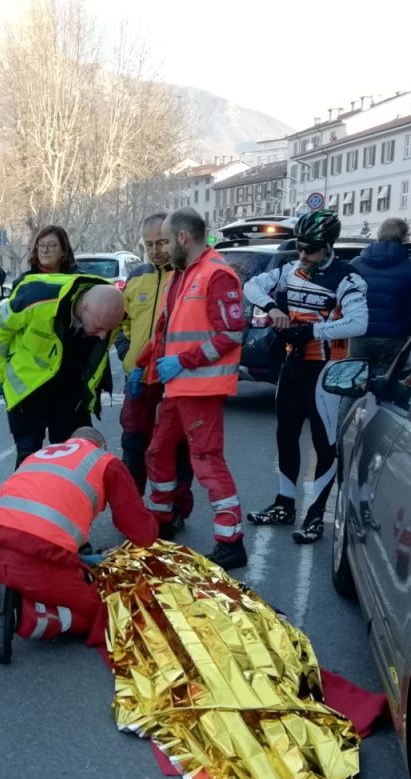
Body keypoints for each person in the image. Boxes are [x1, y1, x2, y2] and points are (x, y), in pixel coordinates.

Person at [0, 426, 157, 663]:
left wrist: (81, 558)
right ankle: (23, 614)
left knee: (50, 577)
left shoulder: (41, 455)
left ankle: (18, 589)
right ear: (100, 446)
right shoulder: (105, 462)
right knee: (102, 611)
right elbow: (141, 532)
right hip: (38, 557)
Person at [244, 209, 368, 544]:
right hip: (293, 363)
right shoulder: (291, 269)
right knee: (285, 432)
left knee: (323, 441)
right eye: (299, 247)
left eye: (310, 248)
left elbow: (359, 323)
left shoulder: (347, 278)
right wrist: (272, 308)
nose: (303, 254)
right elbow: (252, 285)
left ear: (328, 246)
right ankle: (284, 504)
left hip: (326, 368)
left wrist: (313, 330)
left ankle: (315, 515)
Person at [134, 208, 248, 570]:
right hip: (178, 388)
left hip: (199, 389)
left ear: (183, 238)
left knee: (207, 461)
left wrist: (183, 362)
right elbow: (169, 333)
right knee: (158, 451)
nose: (163, 249)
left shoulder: (216, 275)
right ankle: (160, 521)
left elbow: (230, 334)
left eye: (166, 241)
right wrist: (143, 365)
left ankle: (231, 541)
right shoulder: (185, 276)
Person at [0, 273, 125, 466]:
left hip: (70, 394)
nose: (103, 336)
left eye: (108, 330)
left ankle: (63, 495)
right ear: (84, 306)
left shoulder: (109, 307)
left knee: (72, 457)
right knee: (28, 455)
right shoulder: (36, 299)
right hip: (29, 390)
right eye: (99, 327)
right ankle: (28, 495)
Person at [115, 212, 194, 533]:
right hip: (139, 381)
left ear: (175, 238)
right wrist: (126, 355)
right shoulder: (137, 277)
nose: (156, 250)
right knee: (133, 444)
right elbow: (122, 322)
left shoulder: (189, 275)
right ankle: (132, 509)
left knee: (175, 450)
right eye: (149, 244)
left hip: (175, 381)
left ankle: (174, 510)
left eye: (162, 242)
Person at [349, 217, 411, 379]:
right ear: (404, 237)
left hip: (359, 335)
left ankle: (350, 405)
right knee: (385, 384)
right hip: (393, 337)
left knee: (355, 381)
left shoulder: (356, 263)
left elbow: (343, 296)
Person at [7, 225, 79, 293]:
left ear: (64, 249)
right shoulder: (23, 283)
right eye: (41, 245)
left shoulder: (77, 281)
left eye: (52, 245)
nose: (45, 250)